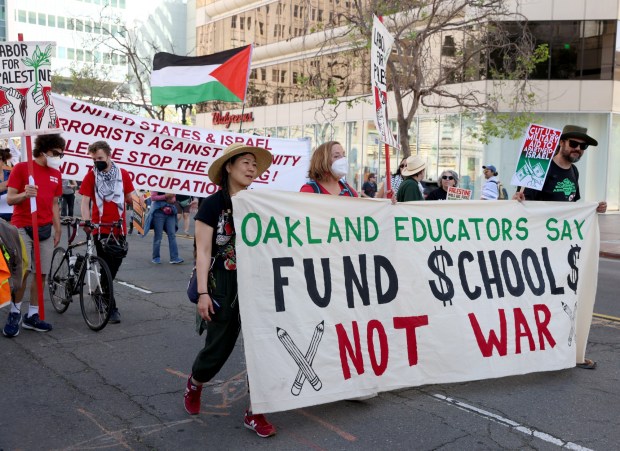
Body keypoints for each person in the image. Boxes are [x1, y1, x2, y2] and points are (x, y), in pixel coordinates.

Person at [184, 142, 277, 438]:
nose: (252, 169)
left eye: (255, 165)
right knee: (218, 349)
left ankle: (256, 411)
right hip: (222, 284)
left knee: (261, 347)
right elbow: (202, 252)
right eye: (246, 163)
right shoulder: (212, 205)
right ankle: (195, 383)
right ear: (229, 167)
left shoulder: (257, 202)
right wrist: (203, 293)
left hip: (257, 282)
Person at [513, 124, 607, 370]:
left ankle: (561, 351)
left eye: (583, 147)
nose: (578, 149)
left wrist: (592, 209)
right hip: (540, 248)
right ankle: (532, 350)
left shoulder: (574, 172)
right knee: (539, 299)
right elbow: (526, 207)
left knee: (564, 300)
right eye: (574, 144)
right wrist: (518, 200)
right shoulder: (541, 169)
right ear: (562, 143)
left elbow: (573, 206)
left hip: (564, 248)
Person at [2, 134, 64, 337]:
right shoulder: (22, 168)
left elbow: (55, 203)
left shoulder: (56, 173)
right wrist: (25, 195)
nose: (58, 157)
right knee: (23, 273)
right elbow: (10, 199)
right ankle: (15, 312)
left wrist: (58, 228)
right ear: (44, 150)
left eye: (61, 154)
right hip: (22, 227)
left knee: (42, 274)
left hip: (45, 229)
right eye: (56, 153)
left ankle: (33, 315)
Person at [80, 140, 136, 324]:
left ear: (109, 156)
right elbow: (85, 200)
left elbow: (130, 197)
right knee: (106, 264)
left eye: (100, 158)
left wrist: (139, 205)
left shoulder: (123, 174)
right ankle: (111, 306)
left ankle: (99, 294)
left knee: (114, 265)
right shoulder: (91, 176)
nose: (97, 162)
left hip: (119, 228)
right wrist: (87, 220)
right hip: (100, 228)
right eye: (94, 159)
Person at [144, 192, 184, 265]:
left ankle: (174, 258)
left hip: (170, 211)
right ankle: (156, 257)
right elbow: (153, 197)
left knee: (172, 235)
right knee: (158, 236)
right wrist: (166, 196)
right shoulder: (157, 182)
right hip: (158, 212)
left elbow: (173, 199)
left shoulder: (173, 183)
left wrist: (171, 199)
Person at [0, 148, 15, 222]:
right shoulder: (14, 177)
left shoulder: (11, 173)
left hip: (13, 216)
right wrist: (14, 182)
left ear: (3, 161)